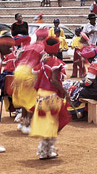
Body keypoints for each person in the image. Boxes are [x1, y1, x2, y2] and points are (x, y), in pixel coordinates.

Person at [30, 31, 69, 159]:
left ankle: (44, 150)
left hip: (41, 95)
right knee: (56, 122)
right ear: (57, 48)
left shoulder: (42, 61)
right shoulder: (55, 62)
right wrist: (64, 91)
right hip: (51, 95)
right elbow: (54, 80)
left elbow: (36, 76)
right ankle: (46, 149)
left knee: (47, 123)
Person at [12, 30, 45, 135]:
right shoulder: (43, 48)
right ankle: (28, 125)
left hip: (19, 72)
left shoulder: (28, 46)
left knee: (24, 100)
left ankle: (22, 123)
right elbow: (42, 63)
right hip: (29, 74)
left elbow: (17, 56)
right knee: (31, 100)